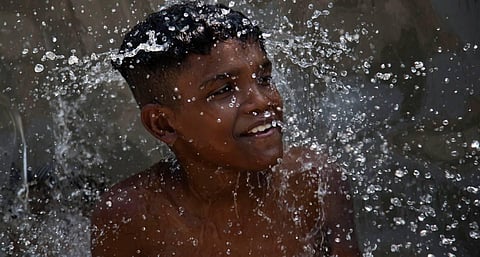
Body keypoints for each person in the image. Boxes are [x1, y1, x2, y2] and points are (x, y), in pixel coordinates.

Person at [90, 2, 361, 256]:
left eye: (264, 78)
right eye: (223, 90)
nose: (262, 101)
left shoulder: (314, 183)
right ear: (163, 124)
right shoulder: (132, 216)